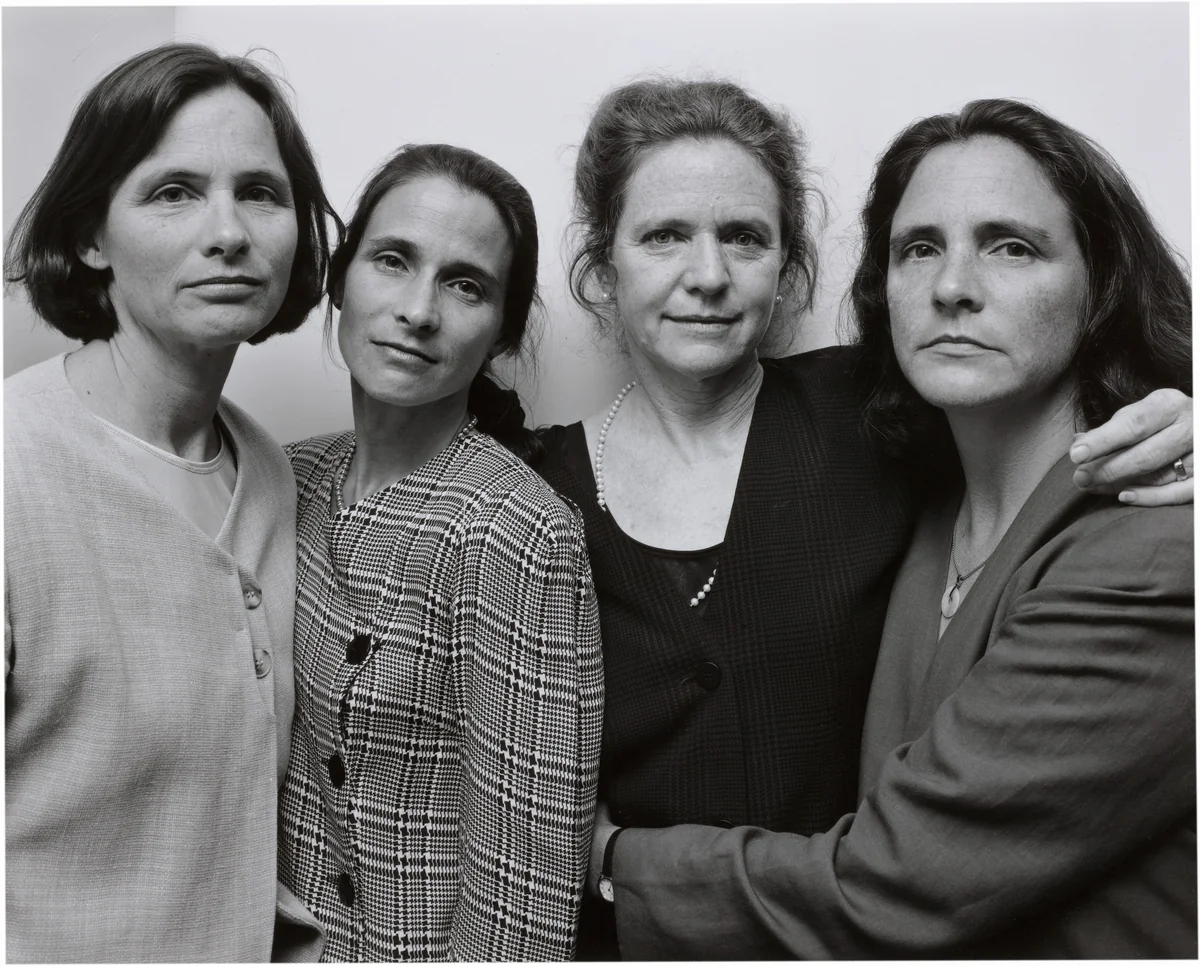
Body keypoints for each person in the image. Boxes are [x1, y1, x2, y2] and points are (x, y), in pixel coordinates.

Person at [532, 78, 1194, 957]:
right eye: (919, 248)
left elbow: (902, 877)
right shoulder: (936, 485)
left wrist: (610, 857)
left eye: (1011, 247)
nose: (954, 286)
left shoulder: (874, 435)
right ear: (601, 265)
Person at [4, 44, 337, 961]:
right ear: (88, 237)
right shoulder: (12, 470)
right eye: (173, 192)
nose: (228, 232)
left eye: (261, 193)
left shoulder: (268, 472)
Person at [277, 143, 604, 961]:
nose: (419, 310)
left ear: (500, 330)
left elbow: (520, 905)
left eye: (466, 284)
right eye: (393, 260)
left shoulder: (515, 531)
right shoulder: (289, 474)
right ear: (341, 279)